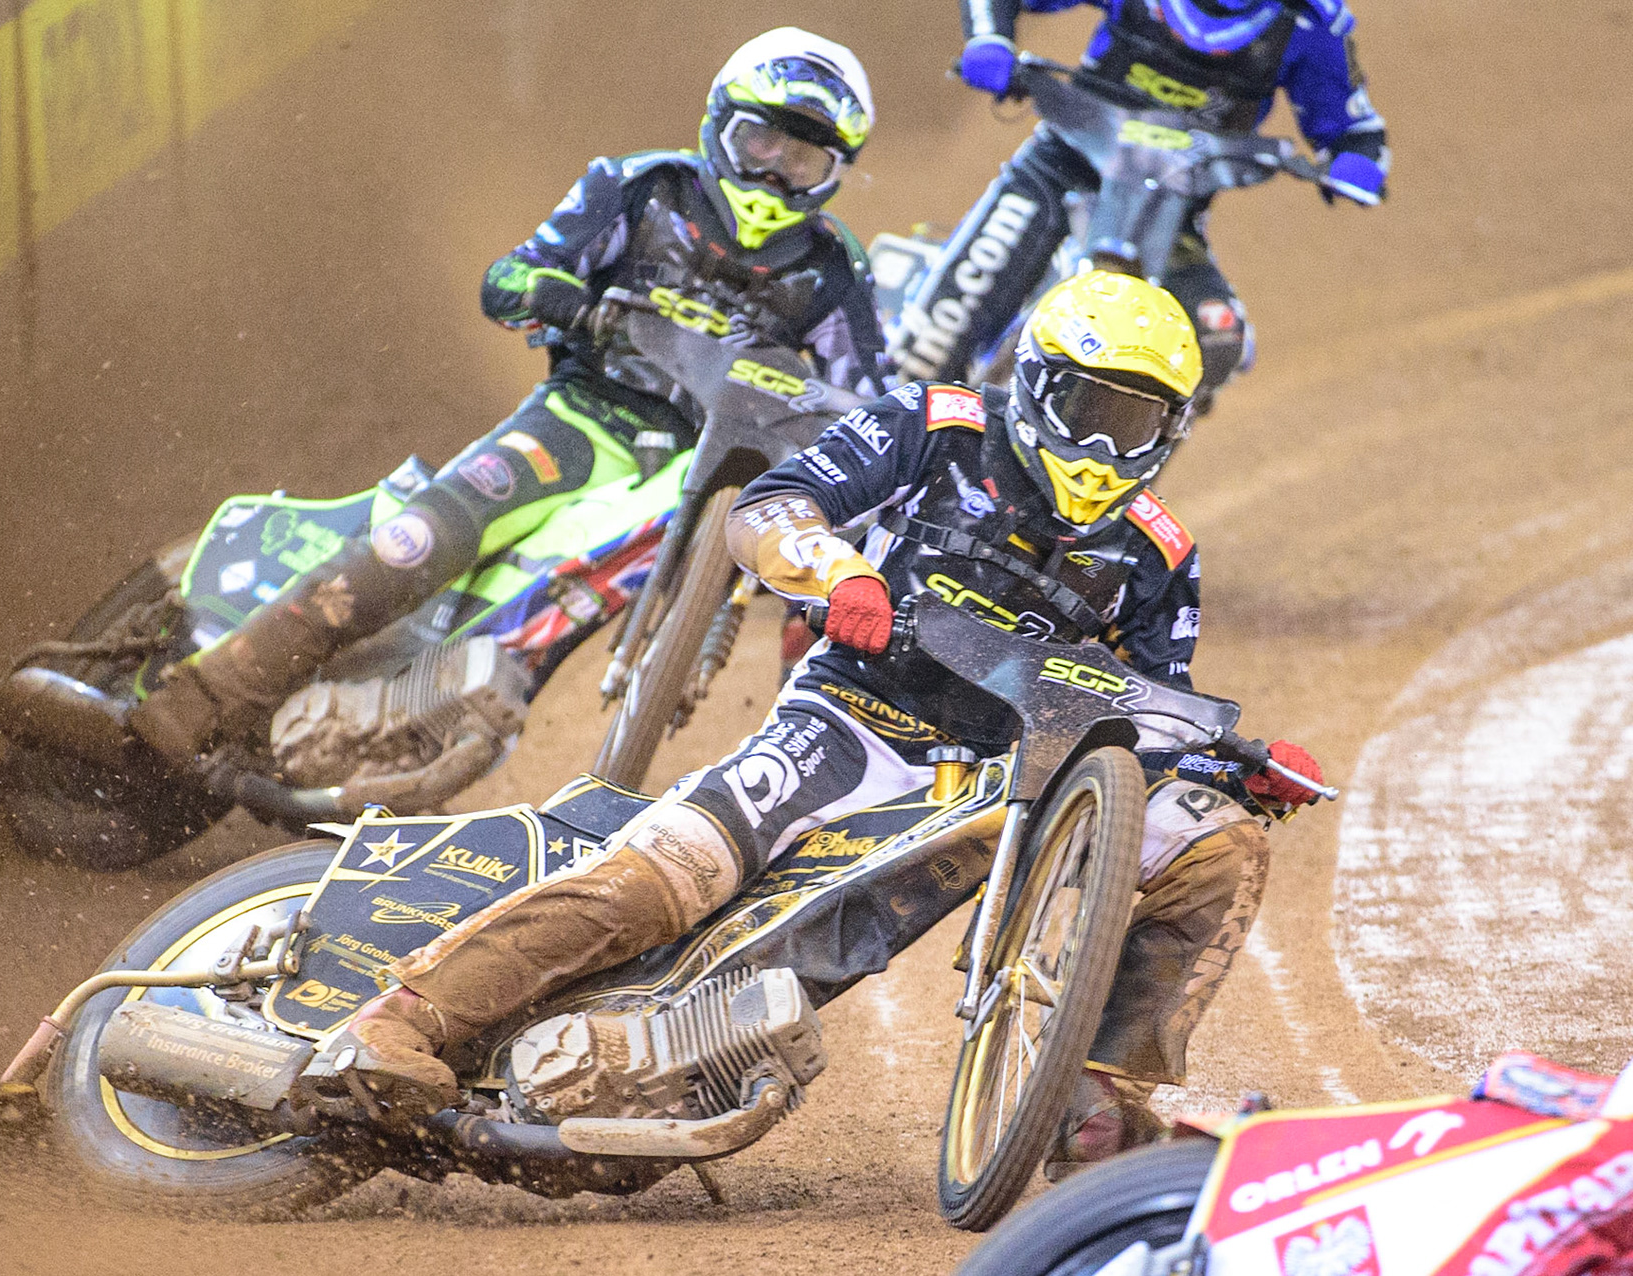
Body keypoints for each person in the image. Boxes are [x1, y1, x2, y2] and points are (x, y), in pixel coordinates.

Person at [343, 270, 1324, 1178]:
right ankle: (400, 1020)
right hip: (852, 720)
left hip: (1006, 783)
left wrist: (1232, 772)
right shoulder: (938, 427)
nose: (1104, 448)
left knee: (1219, 844)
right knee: (671, 877)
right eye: (1088, 411)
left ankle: (1095, 1097)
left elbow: (1145, 714)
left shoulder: (1158, 553)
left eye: (1135, 422)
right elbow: (773, 504)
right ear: (1035, 383)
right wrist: (838, 572)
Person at [130, 28, 889, 768]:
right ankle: (207, 693)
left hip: (701, 467)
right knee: (418, 540)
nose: (774, 173)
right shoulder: (642, 188)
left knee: (725, 585)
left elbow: (868, 405)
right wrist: (561, 299)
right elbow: (509, 277)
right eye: (762, 143)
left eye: (802, 158)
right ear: (722, 125)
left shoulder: (836, 270)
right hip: (583, 418)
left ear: (833, 172)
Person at [894, 0, 1391, 399]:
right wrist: (990, 39)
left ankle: (1120, 476)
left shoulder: (1309, 21)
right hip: (1064, 165)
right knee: (937, 336)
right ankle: (886, 427)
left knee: (1213, 341)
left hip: (1172, 210)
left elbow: (1355, 128)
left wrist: (1357, 162)